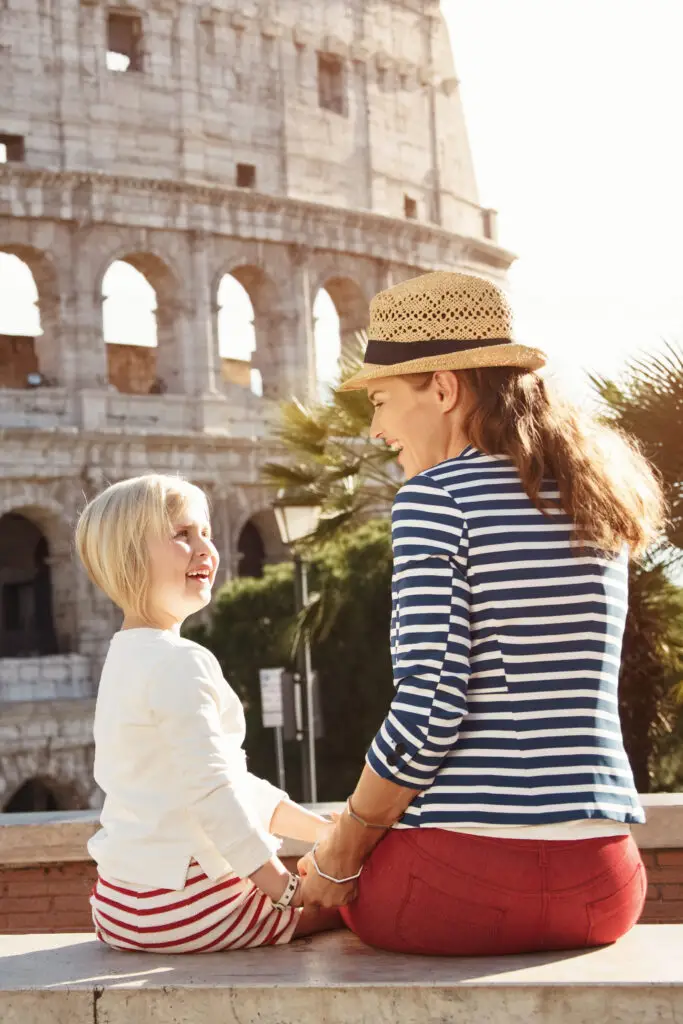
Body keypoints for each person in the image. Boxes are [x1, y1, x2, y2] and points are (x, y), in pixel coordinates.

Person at [297, 270, 664, 957]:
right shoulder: (594, 499)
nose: (375, 430)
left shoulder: (436, 500)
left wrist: (337, 854)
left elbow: (429, 709)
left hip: (456, 887)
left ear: (442, 387)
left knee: (316, 896)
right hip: (605, 888)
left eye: (378, 400)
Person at [75, 474, 341, 953]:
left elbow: (221, 782)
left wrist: (325, 831)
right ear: (132, 558)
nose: (206, 548)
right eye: (182, 534)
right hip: (189, 908)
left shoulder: (122, 659)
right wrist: (283, 888)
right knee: (348, 901)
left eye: (207, 534)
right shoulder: (181, 660)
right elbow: (215, 791)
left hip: (118, 908)